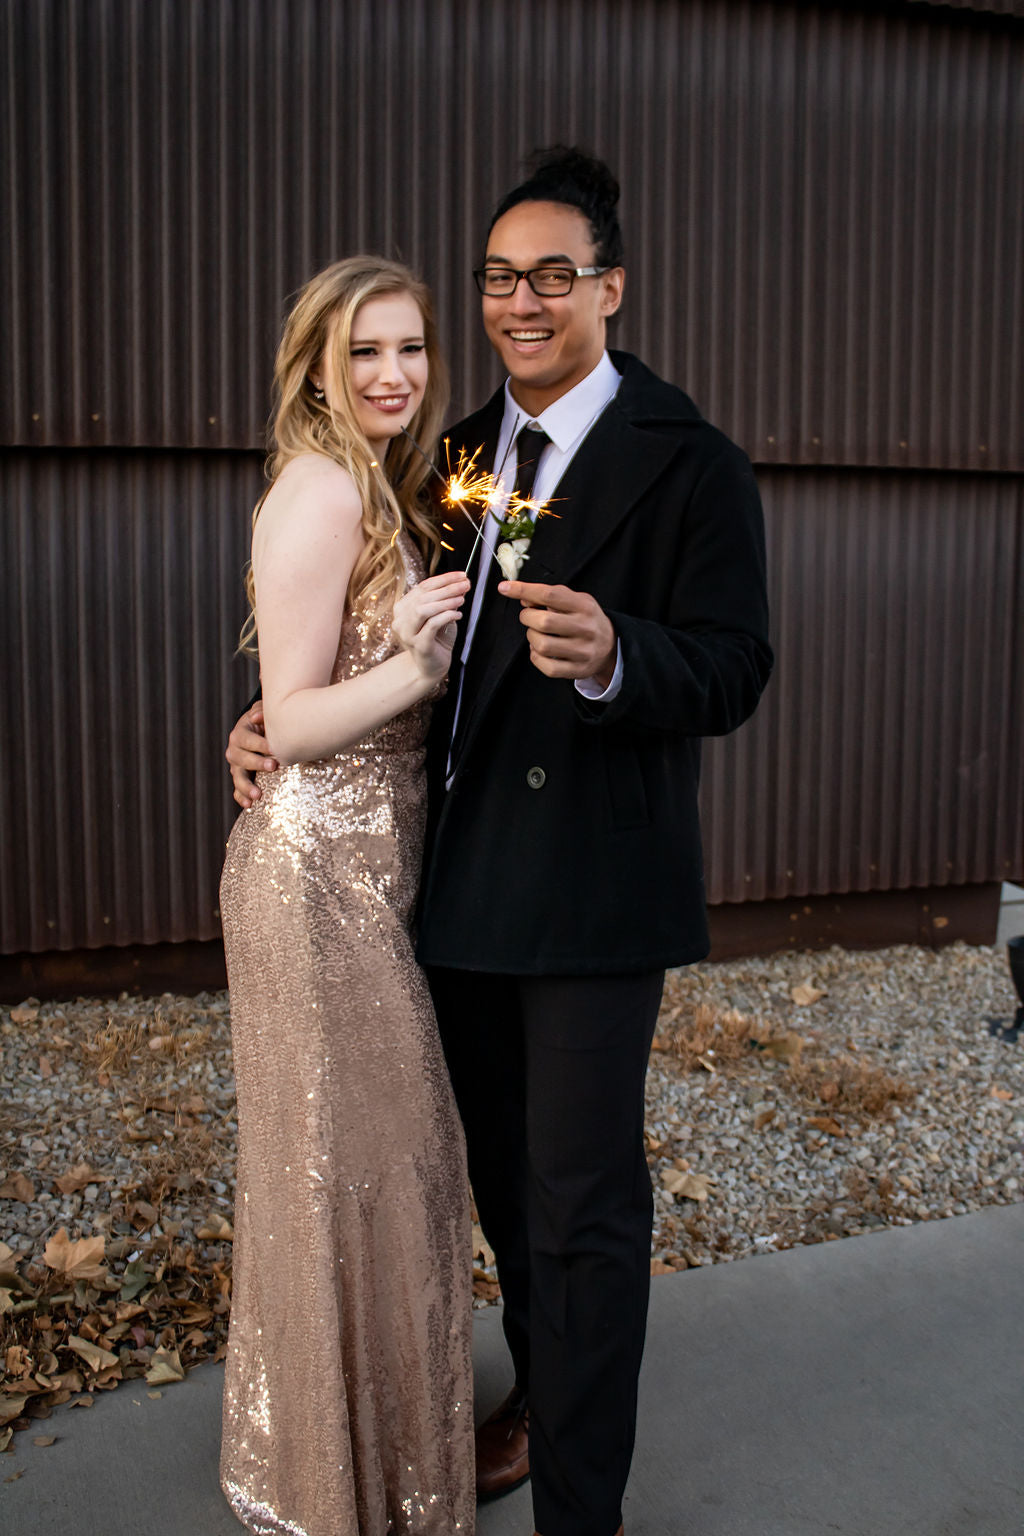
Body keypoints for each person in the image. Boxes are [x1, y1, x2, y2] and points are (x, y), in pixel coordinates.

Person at [229, 149, 772, 1536]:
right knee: (493, 1202)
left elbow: (733, 668)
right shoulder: (453, 451)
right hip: (448, 896)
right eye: (497, 278)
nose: (520, 301)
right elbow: (375, 625)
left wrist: (616, 656)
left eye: (552, 275)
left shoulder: (692, 462)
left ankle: (583, 1509)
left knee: (583, 1215)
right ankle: (546, 1391)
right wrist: (267, 718)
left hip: (593, 903)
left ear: (611, 287)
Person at [218, 255, 475, 1536]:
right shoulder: (320, 487)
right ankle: (336, 1489)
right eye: (366, 350)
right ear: (320, 362)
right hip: (312, 878)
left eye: (413, 348)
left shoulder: (409, 484)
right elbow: (302, 713)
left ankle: (360, 1467)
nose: (392, 373)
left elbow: (280, 703)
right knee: (372, 1174)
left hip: (373, 877)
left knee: (378, 1179)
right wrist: (413, 674)